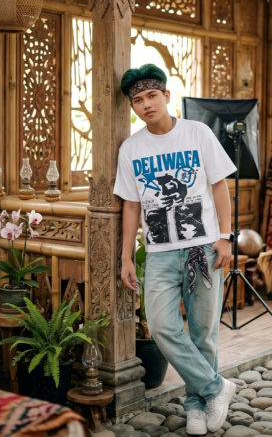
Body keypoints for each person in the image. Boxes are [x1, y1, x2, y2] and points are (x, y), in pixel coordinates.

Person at [113, 64, 238, 436]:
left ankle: (196, 403)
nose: (146, 104)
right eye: (138, 100)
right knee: (163, 326)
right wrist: (125, 257)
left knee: (203, 333)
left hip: (202, 248)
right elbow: (131, 206)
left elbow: (219, 187)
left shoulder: (197, 133)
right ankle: (217, 387)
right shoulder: (131, 148)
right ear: (133, 107)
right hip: (160, 253)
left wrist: (226, 236)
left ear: (167, 96)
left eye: (152, 95)